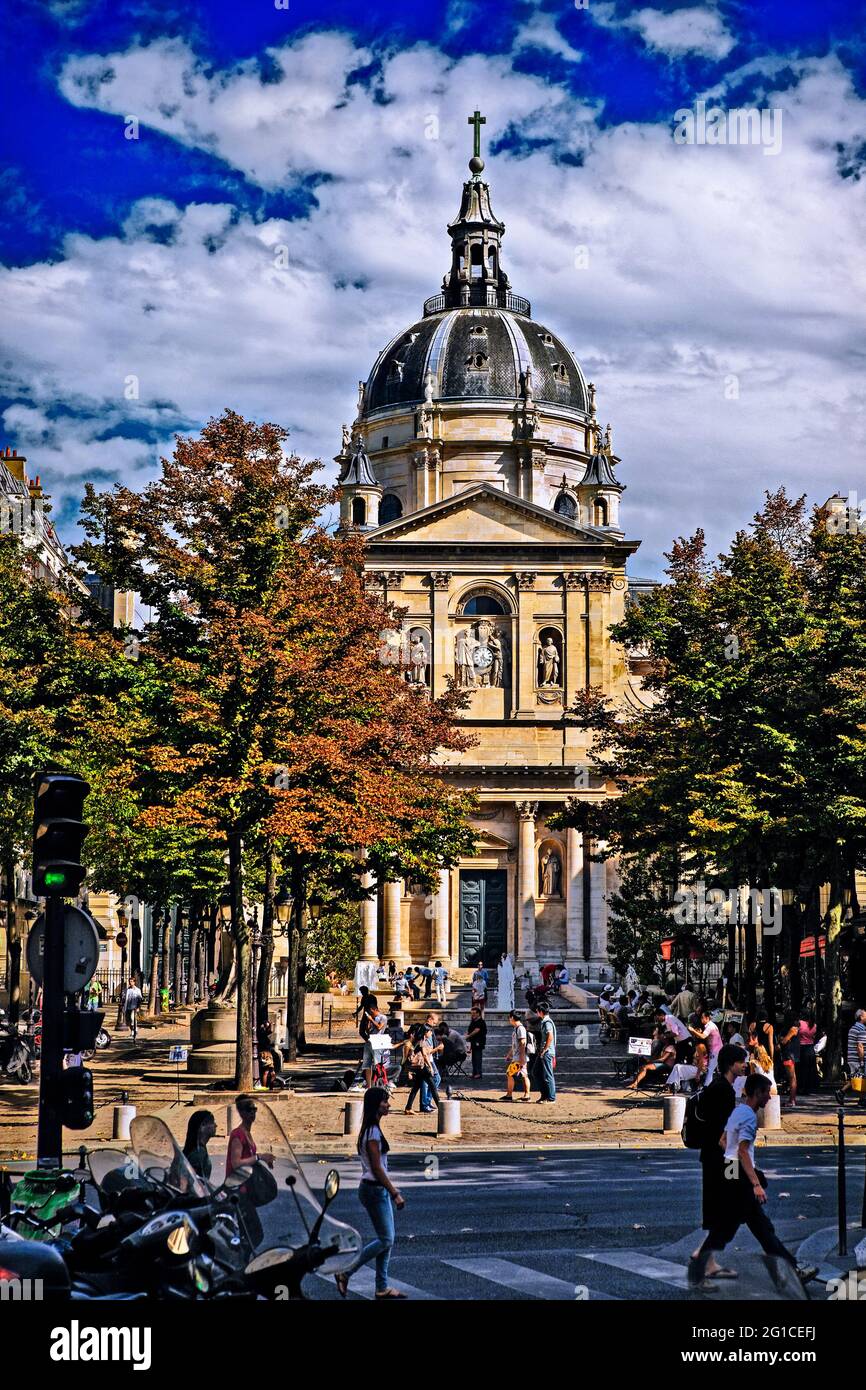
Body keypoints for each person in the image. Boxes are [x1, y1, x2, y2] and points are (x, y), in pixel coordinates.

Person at [690, 1073, 816, 1288]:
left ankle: (786, 1272)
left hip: (733, 1175)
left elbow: (723, 1141)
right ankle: (788, 1271)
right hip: (741, 1179)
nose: (769, 1098)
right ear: (757, 1092)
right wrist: (755, 1183)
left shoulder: (738, 1111)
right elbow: (742, 1152)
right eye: (767, 1093)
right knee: (744, 1228)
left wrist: (732, 1174)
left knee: (757, 1228)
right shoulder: (748, 1116)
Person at [335, 1087, 406, 1300]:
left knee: (387, 1239)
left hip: (375, 1190)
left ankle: (382, 1287)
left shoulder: (370, 1129)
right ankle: (346, 1272)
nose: (388, 1105)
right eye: (385, 1102)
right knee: (386, 1239)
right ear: (376, 1105)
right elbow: (377, 1168)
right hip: (374, 1190)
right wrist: (394, 1192)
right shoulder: (372, 1132)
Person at [686, 1043, 748, 1285]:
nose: (745, 1065)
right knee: (725, 1211)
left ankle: (709, 1263)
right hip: (719, 1161)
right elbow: (725, 1136)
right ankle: (702, 1261)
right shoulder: (723, 1091)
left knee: (720, 1211)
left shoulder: (719, 1086)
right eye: (742, 1061)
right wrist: (735, 1169)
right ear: (731, 1064)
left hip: (712, 1158)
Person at [226, 1096, 275, 1177]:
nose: (252, 1112)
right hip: (238, 1184)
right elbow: (236, 1164)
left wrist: (264, 1157)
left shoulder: (247, 1132)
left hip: (248, 1179)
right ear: (241, 1112)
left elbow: (248, 1156)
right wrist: (259, 1157)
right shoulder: (237, 1134)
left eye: (254, 1109)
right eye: (249, 1109)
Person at [403, 1029, 441, 1114]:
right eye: (429, 1031)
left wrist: (409, 1070)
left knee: (416, 1087)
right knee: (432, 1085)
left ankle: (408, 1108)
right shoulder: (421, 1041)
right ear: (425, 1033)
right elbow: (424, 1055)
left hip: (416, 1067)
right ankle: (440, 1107)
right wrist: (430, 1066)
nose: (431, 1033)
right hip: (421, 1067)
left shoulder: (413, 1041)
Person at [838, 1007, 866, 1105]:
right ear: (861, 1017)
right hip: (857, 1059)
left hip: (852, 1057)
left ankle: (861, 1100)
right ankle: (841, 1092)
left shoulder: (853, 1028)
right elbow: (860, 1046)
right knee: (859, 1078)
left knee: (858, 1078)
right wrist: (862, 1061)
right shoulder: (861, 1029)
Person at [689, 1005, 722, 1083]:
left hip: (716, 1050)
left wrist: (693, 1030)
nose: (701, 1020)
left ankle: (707, 1086)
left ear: (707, 1018)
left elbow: (703, 1036)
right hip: (715, 1050)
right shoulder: (710, 1026)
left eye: (702, 1018)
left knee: (710, 1069)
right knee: (713, 1069)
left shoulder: (710, 1026)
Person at [503, 1009, 530, 1101]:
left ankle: (525, 1095)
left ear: (512, 1018)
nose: (509, 1020)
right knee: (516, 1074)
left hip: (520, 1058)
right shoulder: (516, 1028)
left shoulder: (520, 1028)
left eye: (509, 1018)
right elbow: (515, 1045)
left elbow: (523, 1043)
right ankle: (510, 1095)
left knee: (519, 1075)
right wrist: (509, 1054)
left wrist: (522, 1058)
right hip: (518, 1057)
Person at [183, 1110, 216, 1180]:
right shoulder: (199, 1153)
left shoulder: (197, 1148)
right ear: (202, 1126)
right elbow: (189, 1180)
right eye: (212, 1122)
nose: (216, 1125)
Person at [536, 1000, 557, 1103]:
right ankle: (544, 1094)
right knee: (536, 1072)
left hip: (547, 1052)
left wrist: (545, 1049)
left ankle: (551, 1097)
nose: (536, 1013)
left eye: (537, 1011)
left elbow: (550, 1036)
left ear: (541, 1011)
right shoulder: (545, 1021)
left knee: (548, 1075)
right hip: (544, 1052)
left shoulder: (547, 1022)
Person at [778, 1014, 800, 1107]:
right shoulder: (796, 1028)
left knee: (791, 1078)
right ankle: (792, 1099)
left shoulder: (792, 1029)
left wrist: (782, 1039)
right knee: (793, 1078)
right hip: (793, 1054)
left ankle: (792, 1100)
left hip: (788, 1055)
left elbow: (784, 1041)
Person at [797, 1013, 817, 1094]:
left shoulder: (800, 1023)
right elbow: (814, 1036)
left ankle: (801, 1087)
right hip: (811, 1047)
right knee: (810, 1069)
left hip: (802, 1047)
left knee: (801, 1069)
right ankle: (808, 1088)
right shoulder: (814, 1025)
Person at [466, 1004, 487, 1079]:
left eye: (474, 1013)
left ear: (478, 1013)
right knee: (474, 1058)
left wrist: (469, 1035)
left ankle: (478, 1073)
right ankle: (474, 1073)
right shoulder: (474, 1021)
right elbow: (472, 1029)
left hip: (478, 1042)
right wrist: (468, 1034)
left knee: (478, 1058)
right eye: (471, 1014)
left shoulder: (480, 1021)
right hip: (473, 1042)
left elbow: (476, 1030)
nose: (472, 1015)